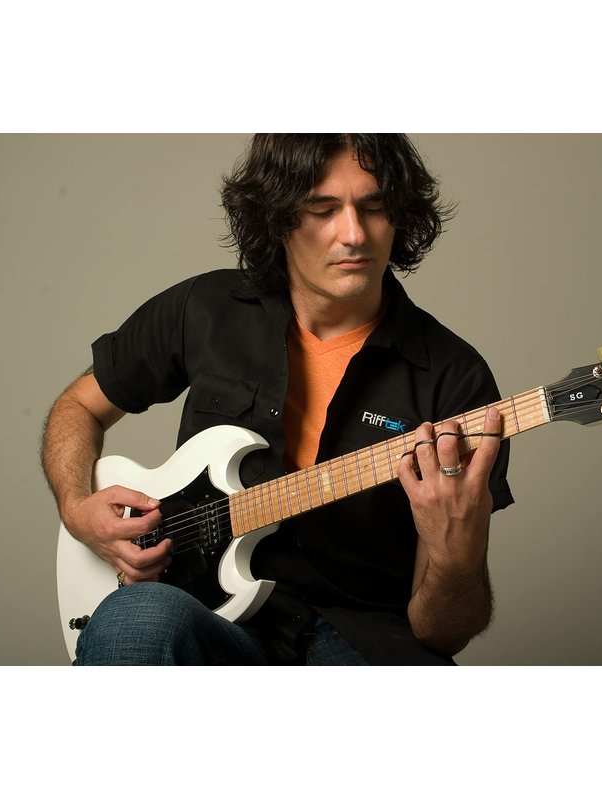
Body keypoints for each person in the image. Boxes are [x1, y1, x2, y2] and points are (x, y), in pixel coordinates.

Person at [41, 134, 514, 666]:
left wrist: (455, 549)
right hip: (206, 619)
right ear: (278, 218)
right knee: (136, 618)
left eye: (375, 207)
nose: (354, 234)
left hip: (363, 637)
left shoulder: (455, 378)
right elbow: (78, 407)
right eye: (323, 210)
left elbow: (442, 634)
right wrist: (76, 508)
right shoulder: (205, 308)